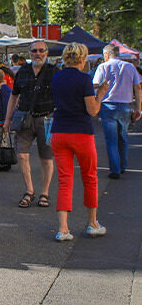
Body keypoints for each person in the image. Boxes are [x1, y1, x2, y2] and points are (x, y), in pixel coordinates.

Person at [50, 43, 109, 241]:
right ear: (82, 59)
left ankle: (63, 228)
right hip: (81, 132)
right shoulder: (85, 79)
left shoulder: (56, 77)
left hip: (59, 131)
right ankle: (92, 223)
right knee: (90, 177)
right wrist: (100, 94)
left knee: (64, 180)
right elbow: (92, 110)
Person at [3, 40, 57, 208]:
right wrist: (7, 120)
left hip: (46, 119)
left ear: (47, 52)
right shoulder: (22, 72)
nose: (38, 53)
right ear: (29, 53)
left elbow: (62, 97)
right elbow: (13, 96)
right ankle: (30, 191)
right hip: (24, 118)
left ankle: (45, 193)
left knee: (46, 158)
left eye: (41, 50)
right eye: (34, 51)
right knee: (22, 155)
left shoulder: (54, 72)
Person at [93, 44, 142, 178]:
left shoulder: (103, 67)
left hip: (107, 107)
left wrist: (95, 105)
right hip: (126, 106)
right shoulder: (130, 67)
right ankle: (123, 166)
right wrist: (139, 108)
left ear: (106, 54)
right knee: (123, 137)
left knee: (111, 140)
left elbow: (95, 86)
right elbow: (138, 87)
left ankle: (115, 170)